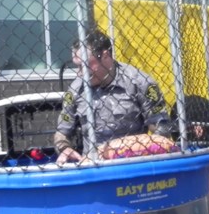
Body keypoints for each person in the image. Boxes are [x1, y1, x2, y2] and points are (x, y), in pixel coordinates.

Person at [54, 30, 171, 164]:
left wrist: (133, 148)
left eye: (84, 66)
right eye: (77, 66)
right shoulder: (75, 91)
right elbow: (62, 132)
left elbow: (161, 129)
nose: (80, 74)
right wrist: (64, 148)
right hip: (92, 166)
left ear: (105, 56)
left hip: (134, 163)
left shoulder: (139, 83)